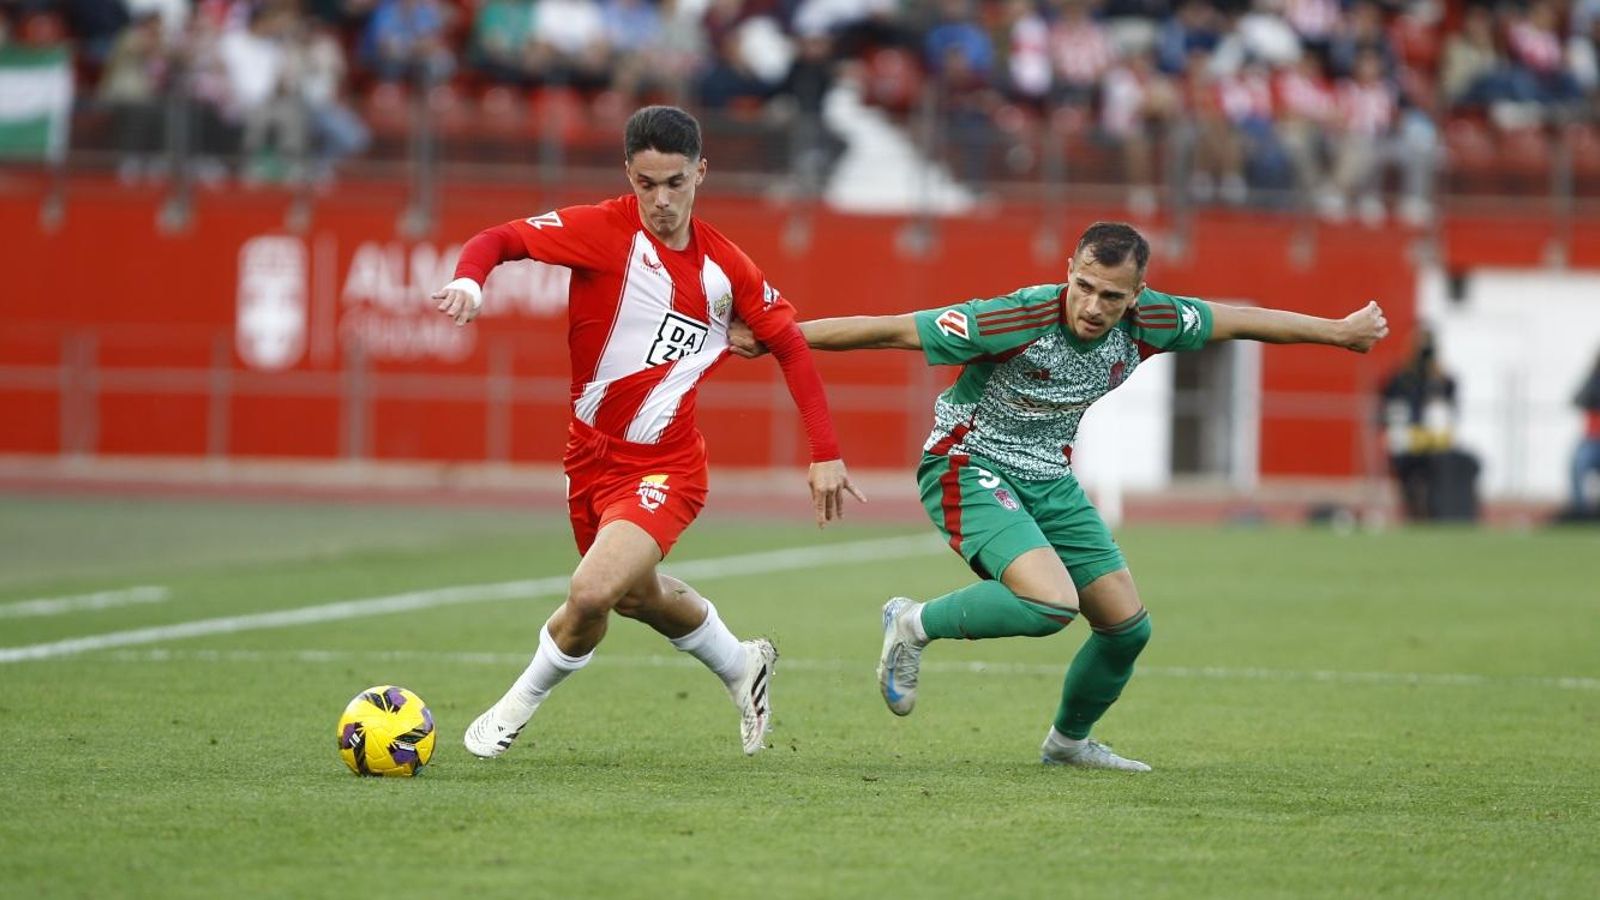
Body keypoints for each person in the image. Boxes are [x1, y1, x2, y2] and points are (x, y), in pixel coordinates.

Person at [730, 221, 1388, 771]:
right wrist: (779, 337)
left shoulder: (1154, 322)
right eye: (1084, 286)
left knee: (1127, 630)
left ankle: (1068, 744)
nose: (1094, 306)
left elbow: (1239, 322)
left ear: (1138, 296)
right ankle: (910, 623)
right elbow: (893, 330)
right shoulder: (1014, 317)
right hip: (967, 464)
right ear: (1067, 270)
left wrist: (1338, 331)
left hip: (1048, 478)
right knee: (1050, 604)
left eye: (1112, 296)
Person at [432, 105, 865, 759]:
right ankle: (742, 664)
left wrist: (825, 452)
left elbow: (791, 347)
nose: (661, 200)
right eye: (646, 183)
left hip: (666, 467)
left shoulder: (726, 268)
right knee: (634, 598)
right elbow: (499, 240)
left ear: (701, 173)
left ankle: (510, 711)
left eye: (675, 183)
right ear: (628, 175)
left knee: (591, 592)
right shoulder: (599, 231)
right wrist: (470, 279)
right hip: (587, 460)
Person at [1379, 327, 1459, 521]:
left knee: (1432, 483)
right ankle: (1412, 515)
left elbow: (1450, 405)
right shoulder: (1401, 377)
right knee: (1407, 483)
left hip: (1432, 440)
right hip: (1407, 439)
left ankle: (1429, 516)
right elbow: (1388, 402)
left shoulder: (1442, 379)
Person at [1564, 349, 1600, 520]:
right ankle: (1581, 512)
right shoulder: (1593, 381)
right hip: (1592, 439)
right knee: (1577, 467)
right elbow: (1576, 400)